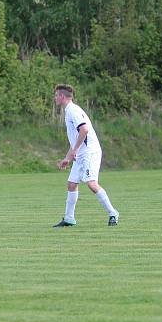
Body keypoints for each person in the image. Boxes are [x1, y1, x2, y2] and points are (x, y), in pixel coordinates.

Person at [52, 84, 119, 228]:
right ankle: (69, 219)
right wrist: (68, 158)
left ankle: (113, 213)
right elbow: (76, 138)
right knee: (71, 184)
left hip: (90, 152)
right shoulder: (69, 111)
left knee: (91, 184)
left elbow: (84, 130)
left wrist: (75, 150)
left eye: (56, 95)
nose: (55, 98)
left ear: (62, 96)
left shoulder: (73, 111)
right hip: (81, 154)